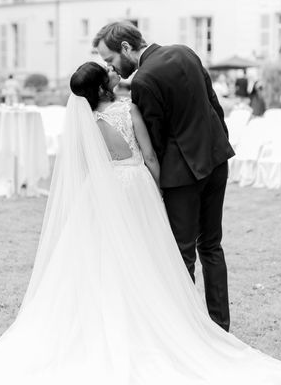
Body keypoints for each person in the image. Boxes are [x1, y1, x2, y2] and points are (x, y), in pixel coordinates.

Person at [0, 62, 281, 385]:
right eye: (110, 73)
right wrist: (161, 190)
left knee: (104, 261)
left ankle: (103, 326)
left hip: (101, 192)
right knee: (148, 256)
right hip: (135, 186)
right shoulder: (128, 110)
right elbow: (149, 157)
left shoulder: (87, 122)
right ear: (102, 88)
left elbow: (86, 166)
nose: (116, 73)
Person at [93, 21, 234, 331]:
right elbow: (214, 106)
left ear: (126, 48)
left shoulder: (143, 81)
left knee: (181, 254)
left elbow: (154, 139)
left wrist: (154, 180)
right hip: (216, 160)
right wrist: (219, 145)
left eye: (110, 59)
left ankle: (187, 330)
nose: (110, 66)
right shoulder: (186, 53)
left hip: (182, 175)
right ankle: (220, 326)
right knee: (212, 246)